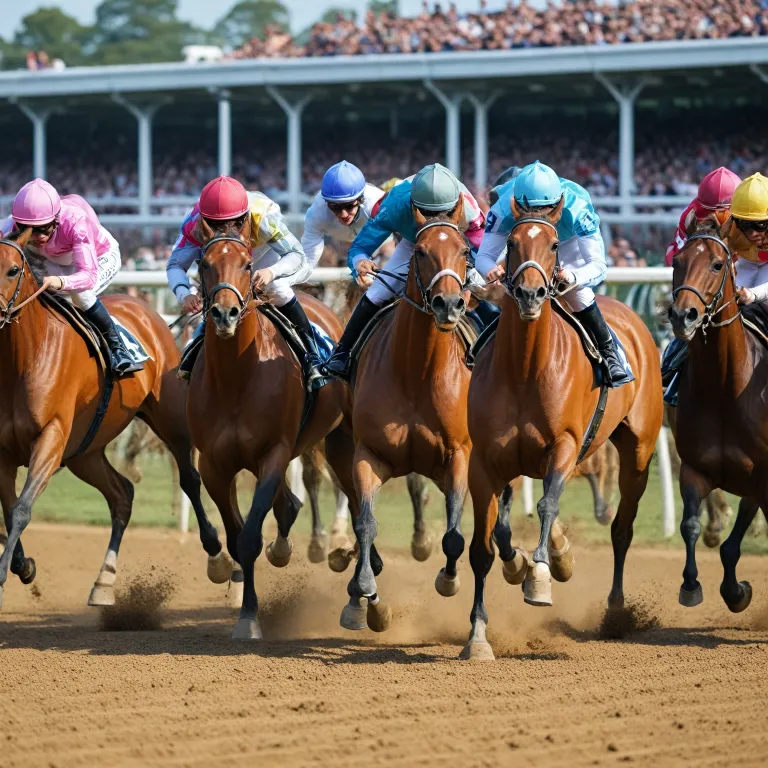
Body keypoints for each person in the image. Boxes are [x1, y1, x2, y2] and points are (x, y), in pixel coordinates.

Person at [321, 163, 487, 380]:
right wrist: (360, 263)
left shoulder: (469, 209)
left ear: (455, 206)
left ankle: (488, 351)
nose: (436, 219)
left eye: (443, 213)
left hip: (454, 244)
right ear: (413, 206)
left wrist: (474, 272)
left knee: (481, 287)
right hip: (414, 242)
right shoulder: (395, 204)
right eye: (428, 214)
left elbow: (483, 249)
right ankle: (343, 353)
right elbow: (360, 247)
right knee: (376, 293)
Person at [476, 160, 628, 387]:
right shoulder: (503, 208)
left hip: (568, 241)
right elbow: (483, 257)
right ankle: (481, 350)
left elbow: (598, 265)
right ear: (517, 205)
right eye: (530, 211)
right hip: (525, 243)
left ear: (558, 204)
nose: (537, 214)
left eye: (545, 210)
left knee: (578, 294)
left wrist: (573, 277)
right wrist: (491, 270)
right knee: (512, 288)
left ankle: (610, 353)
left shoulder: (578, 207)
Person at [167, 175, 322, 385]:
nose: (223, 230)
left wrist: (272, 271)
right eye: (215, 224)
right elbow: (175, 265)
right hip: (220, 258)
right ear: (204, 220)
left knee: (276, 287)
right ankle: (195, 347)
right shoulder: (194, 224)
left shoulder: (263, 217)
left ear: (244, 218)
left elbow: (297, 255)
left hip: (261, 251)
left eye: (231, 224)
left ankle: (311, 354)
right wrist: (184, 294)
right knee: (218, 292)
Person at [0, 178, 141, 375]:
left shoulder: (76, 221)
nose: (38, 236)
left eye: (44, 228)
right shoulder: (8, 226)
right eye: (30, 230)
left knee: (79, 294)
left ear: (56, 219)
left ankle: (118, 347)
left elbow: (88, 276)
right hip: (54, 261)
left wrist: (61, 282)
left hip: (99, 258)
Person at [301, 161, 385, 274]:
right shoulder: (317, 211)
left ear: (361, 199)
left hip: (377, 240)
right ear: (326, 203)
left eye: (349, 206)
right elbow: (309, 257)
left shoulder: (375, 203)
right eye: (335, 207)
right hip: (341, 242)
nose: (343, 214)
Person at [665, 167, 742, 266]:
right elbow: (674, 258)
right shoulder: (690, 214)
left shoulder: (748, 209)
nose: (718, 215)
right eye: (712, 210)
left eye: (724, 211)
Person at [729, 173, 768, 307]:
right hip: (745, 262)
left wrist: (754, 294)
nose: (752, 233)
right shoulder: (730, 227)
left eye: (760, 225)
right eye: (745, 224)